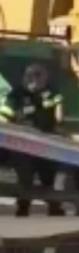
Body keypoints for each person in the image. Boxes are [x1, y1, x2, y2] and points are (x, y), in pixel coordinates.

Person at [0, 62, 64, 217]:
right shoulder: (16, 95)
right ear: (24, 77)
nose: (33, 80)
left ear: (44, 78)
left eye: (38, 76)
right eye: (30, 76)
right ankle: (23, 207)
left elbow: (59, 118)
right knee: (25, 176)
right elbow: (5, 116)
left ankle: (53, 207)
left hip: (46, 142)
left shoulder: (51, 93)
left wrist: (58, 109)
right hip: (23, 143)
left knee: (48, 176)